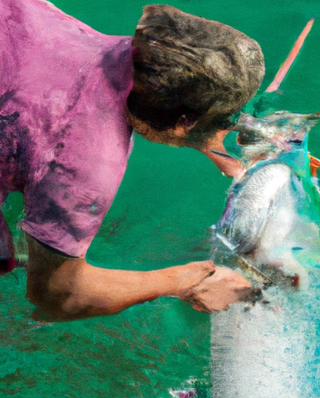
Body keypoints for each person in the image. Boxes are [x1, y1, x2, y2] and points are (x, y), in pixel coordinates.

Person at [0, 1, 262, 321]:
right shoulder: (87, 160)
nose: (232, 122)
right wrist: (185, 281)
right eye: (224, 118)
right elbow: (57, 295)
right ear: (183, 123)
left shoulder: (42, 18)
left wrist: (214, 145)